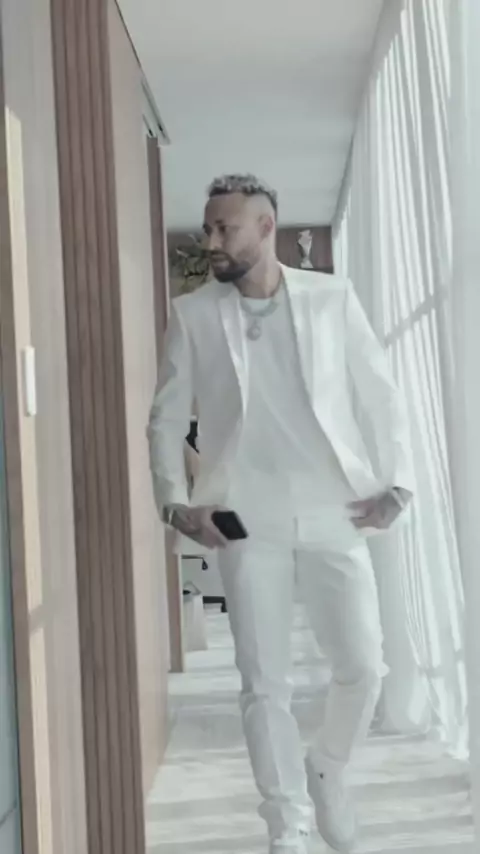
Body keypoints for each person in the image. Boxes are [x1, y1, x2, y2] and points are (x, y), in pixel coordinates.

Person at [147, 174, 413, 854]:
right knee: (264, 682)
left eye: (225, 228)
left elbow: (380, 395)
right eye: (208, 227)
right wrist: (176, 504)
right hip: (242, 519)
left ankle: (329, 767)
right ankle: (286, 825)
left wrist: (400, 485)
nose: (212, 240)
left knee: (365, 667)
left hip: (334, 509)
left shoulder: (331, 298)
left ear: (265, 228)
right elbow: (167, 417)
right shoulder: (194, 314)